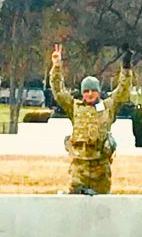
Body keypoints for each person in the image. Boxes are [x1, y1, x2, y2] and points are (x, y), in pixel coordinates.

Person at [48, 43, 134, 195]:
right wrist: (56, 66)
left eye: (93, 91)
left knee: (101, 205)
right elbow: (58, 91)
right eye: (86, 91)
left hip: (100, 167)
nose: (89, 94)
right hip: (79, 167)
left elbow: (123, 91)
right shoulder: (74, 107)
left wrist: (126, 68)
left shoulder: (108, 106)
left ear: (99, 92)